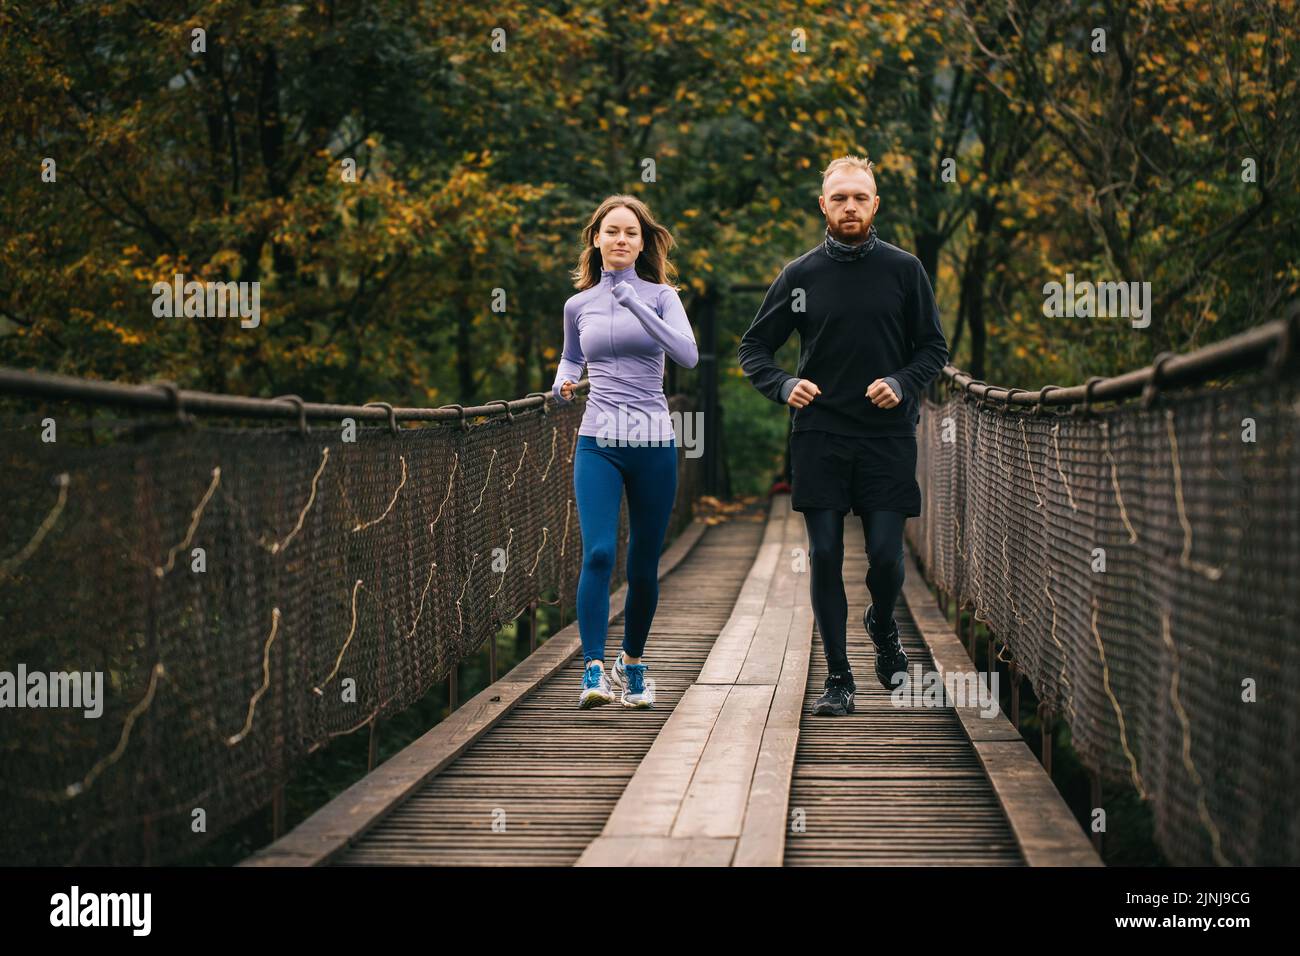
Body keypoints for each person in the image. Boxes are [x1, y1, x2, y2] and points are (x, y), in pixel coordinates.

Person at [737, 155, 949, 716]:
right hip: (821, 434)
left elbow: (934, 349)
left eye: (860, 197)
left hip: (886, 436)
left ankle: (882, 621)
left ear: (876, 204)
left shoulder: (905, 271)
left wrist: (902, 382)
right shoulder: (800, 275)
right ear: (823, 205)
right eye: (839, 198)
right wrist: (784, 385)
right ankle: (839, 678)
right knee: (825, 552)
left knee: (884, 556)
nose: (849, 206)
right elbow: (753, 349)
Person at [551, 195, 699, 709]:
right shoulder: (577, 305)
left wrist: (635, 302)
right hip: (599, 442)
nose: (620, 239)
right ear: (596, 239)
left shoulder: (662, 296)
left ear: (642, 242)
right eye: (611, 231)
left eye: (631, 233)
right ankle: (593, 669)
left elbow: (687, 354)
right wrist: (564, 383)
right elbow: (571, 359)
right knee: (598, 553)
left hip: (653, 442)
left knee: (642, 565)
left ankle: (631, 663)